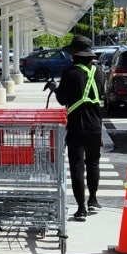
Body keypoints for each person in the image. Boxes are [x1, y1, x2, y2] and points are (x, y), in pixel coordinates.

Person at [44, 35, 105, 222]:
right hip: (95, 126)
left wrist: (54, 88)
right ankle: (93, 199)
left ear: (74, 55)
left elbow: (62, 99)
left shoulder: (70, 73)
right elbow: (101, 93)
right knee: (93, 163)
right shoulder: (99, 72)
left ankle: (81, 209)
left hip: (77, 126)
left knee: (77, 166)